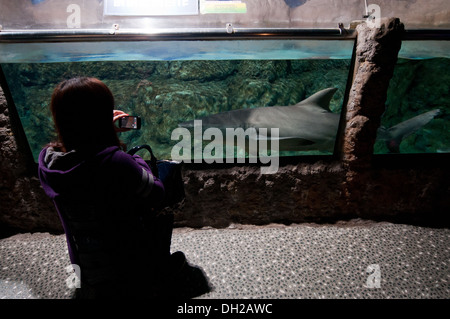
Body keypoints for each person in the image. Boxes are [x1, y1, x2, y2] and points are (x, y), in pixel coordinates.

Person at [38, 77, 210, 299]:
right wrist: (128, 155)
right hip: (126, 265)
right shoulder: (115, 162)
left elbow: (85, 159)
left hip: (86, 265)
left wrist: (100, 136)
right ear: (100, 119)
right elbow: (157, 193)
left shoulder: (48, 162)